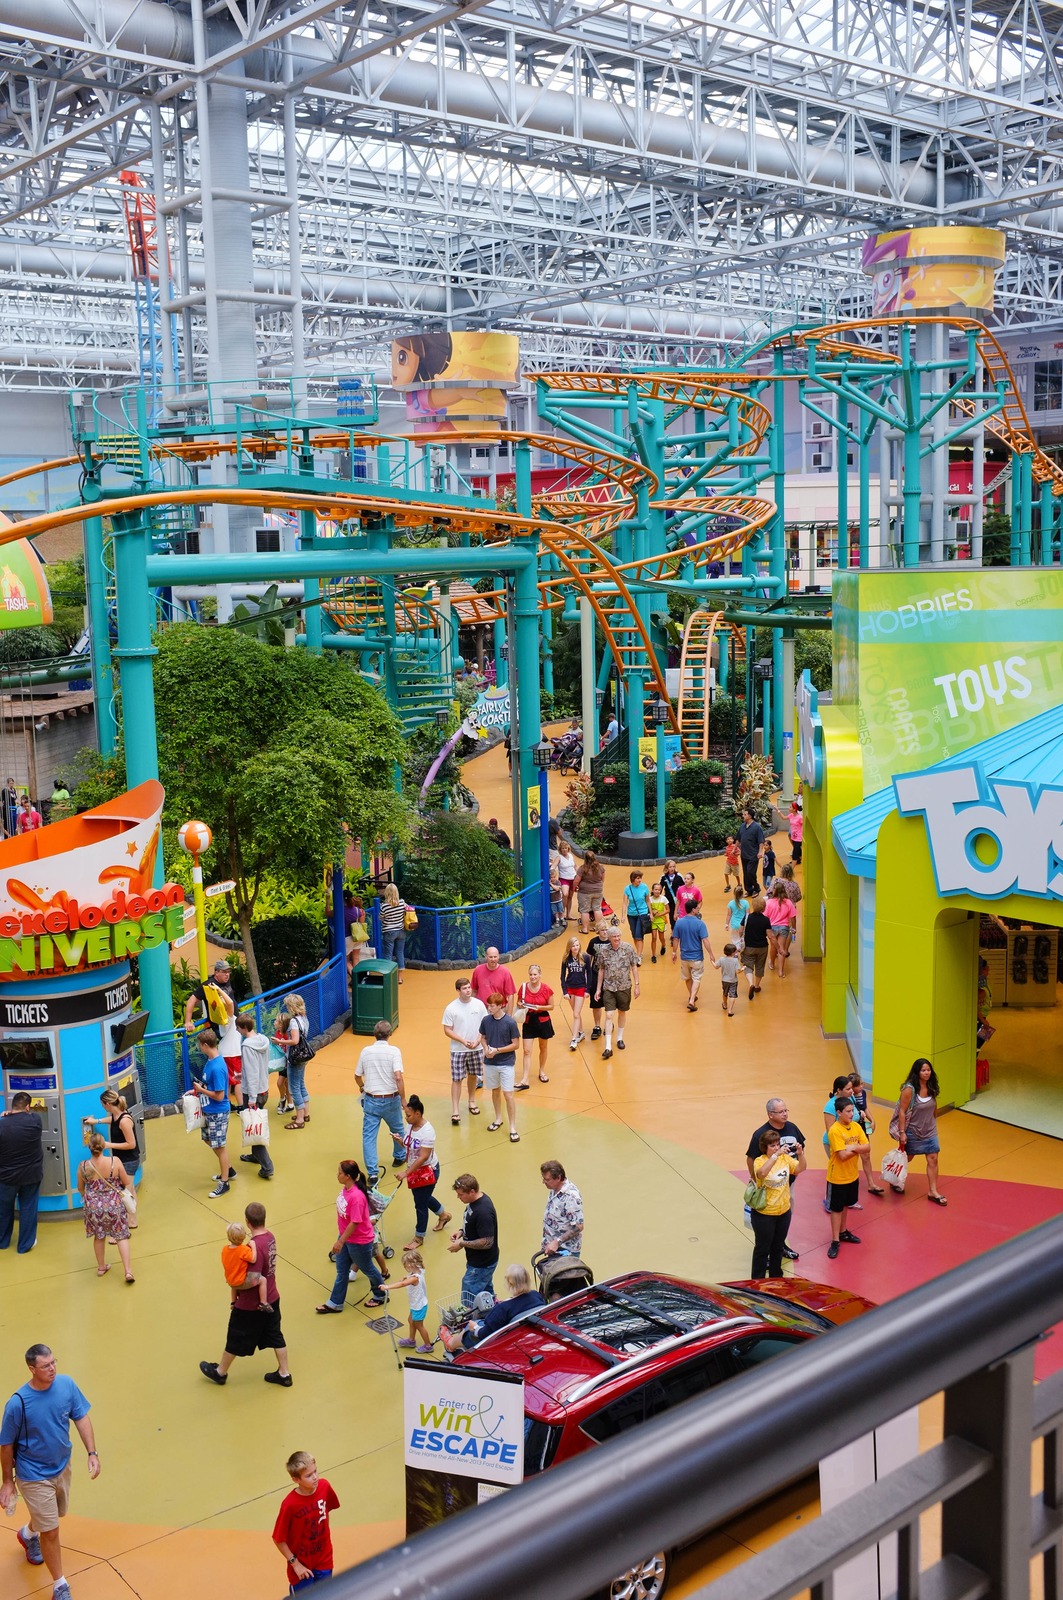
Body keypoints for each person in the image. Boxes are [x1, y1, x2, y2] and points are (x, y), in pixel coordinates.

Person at [0, 1343, 98, 1600]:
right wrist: (7, 1482)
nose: (52, 1369)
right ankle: (60, 1585)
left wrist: (92, 1453)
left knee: (53, 1517)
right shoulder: (17, 1404)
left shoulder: (66, 1385)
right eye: (46, 1366)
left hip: (61, 1465)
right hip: (33, 1474)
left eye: (54, 1362)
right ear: (32, 1369)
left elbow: (81, 1417)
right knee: (52, 1530)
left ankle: (28, 1533)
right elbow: (6, 1444)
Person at [200, 1201, 292, 1386]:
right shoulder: (270, 1237)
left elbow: (253, 1279)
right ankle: (284, 1373)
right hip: (272, 1297)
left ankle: (220, 1372)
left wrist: (233, 1287)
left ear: (247, 1222)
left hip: (251, 1305)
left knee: (236, 1335)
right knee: (275, 1334)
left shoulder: (252, 1246)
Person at [315, 1160, 387, 1313]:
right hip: (346, 1237)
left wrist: (340, 1241)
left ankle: (381, 1294)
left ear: (348, 1176)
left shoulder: (356, 1197)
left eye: (340, 1173)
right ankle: (335, 1303)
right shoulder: (346, 1188)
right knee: (342, 1272)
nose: (337, 1175)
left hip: (358, 1241)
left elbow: (355, 1222)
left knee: (368, 1269)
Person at [745, 1098, 806, 1264]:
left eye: (786, 1110)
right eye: (781, 1112)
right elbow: (751, 1159)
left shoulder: (792, 1128)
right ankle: (767, 1251)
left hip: (787, 1180)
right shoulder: (761, 1134)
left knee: (786, 1212)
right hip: (768, 1185)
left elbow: (800, 1149)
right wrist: (756, 1179)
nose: (785, 1114)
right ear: (770, 1115)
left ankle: (780, 1244)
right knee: (766, 1222)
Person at [273, 1451, 340, 1593]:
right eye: (308, 1475)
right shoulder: (289, 1505)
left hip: (324, 1560)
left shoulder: (324, 1487)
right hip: (302, 1567)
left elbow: (326, 1511)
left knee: (326, 1595)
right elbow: (278, 1539)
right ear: (295, 1479)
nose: (315, 1477)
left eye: (315, 1471)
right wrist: (295, 1564)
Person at [440, 1263, 544, 1353]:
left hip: (501, 1340)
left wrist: (475, 1328)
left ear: (509, 1284)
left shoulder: (502, 1309)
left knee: (469, 1328)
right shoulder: (536, 1295)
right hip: (527, 1332)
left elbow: (485, 1334)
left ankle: (451, 1343)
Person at [77, 1133, 134, 1282]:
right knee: (121, 1236)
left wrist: (91, 1197)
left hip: (94, 1207)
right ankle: (128, 1271)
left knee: (99, 1236)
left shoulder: (83, 1166)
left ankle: (101, 1267)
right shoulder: (115, 1161)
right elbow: (126, 1181)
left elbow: (80, 1188)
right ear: (104, 1146)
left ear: (90, 1147)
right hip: (114, 1204)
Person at [354, 1019, 406, 1181]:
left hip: (371, 1100)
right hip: (391, 1098)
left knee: (369, 1136)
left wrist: (362, 1087)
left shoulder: (366, 1052)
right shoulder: (394, 1052)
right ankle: (399, 1155)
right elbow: (398, 1077)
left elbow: (357, 1076)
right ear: (389, 1034)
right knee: (398, 1129)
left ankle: (373, 1172)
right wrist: (403, 1098)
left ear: (374, 1034)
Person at [185, 960, 241, 1104]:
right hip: (223, 1028)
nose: (227, 975)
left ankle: (227, 1101)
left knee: (228, 1074)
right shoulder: (208, 985)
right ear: (216, 972)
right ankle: (239, 1105)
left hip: (232, 1026)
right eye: (224, 972)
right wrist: (188, 1021)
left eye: (228, 972)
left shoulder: (225, 982)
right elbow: (191, 1001)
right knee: (232, 1073)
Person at [893, 1058, 947, 1205]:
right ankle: (895, 1179)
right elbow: (902, 1111)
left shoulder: (932, 1086)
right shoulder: (909, 1089)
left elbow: (934, 1106)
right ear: (917, 1072)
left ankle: (933, 1191)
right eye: (923, 1070)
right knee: (906, 1158)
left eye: (928, 1070)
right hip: (912, 1131)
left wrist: (933, 1122)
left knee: (933, 1159)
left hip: (930, 1131)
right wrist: (902, 1132)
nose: (926, 1073)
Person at [398, 1095, 450, 1246]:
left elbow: (423, 1157)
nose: (406, 1118)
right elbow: (410, 1145)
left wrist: (405, 1173)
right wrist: (400, 1141)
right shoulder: (410, 1126)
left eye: (408, 1115)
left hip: (427, 1171)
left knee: (420, 1203)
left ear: (418, 1114)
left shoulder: (427, 1131)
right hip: (415, 1171)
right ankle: (444, 1215)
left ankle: (419, 1237)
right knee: (423, 1198)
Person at [0, 1090, 44, 1254]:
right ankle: (25, 1245)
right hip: (31, 1175)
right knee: (28, 1208)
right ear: (27, 1107)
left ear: (12, 1107)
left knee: (4, 1209)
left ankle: (2, 1241)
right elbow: (27, 1115)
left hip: (6, 1177)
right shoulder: (35, 1121)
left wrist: (5, 1115)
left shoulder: (2, 1124)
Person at [192, 1031, 234, 1198]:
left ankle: (224, 1182)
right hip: (209, 1110)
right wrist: (199, 1089)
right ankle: (228, 1169)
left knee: (219, 1146)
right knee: (208, 1139)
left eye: (199, 1045)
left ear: (205, 1045)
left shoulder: (217, 1067)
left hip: (218, 1112)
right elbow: (209, 1084)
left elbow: (219, 1095)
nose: (198, 1047)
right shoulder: (211, 1061)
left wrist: (202, 1090)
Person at [826, 1097, 868, 1258]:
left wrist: (853, 1147)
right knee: (836, 1208)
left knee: (845, 1205)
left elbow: (868, 1147)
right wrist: (859, 1148)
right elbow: (842, 1155)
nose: (852, 1114)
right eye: (849, 1111)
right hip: (837, 1177)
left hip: (852, 1175)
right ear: (839, 1112)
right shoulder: (835, 1130)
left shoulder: (856, 1126)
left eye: (853, 1111)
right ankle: (835, 1240)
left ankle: (843, 1232)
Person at [235, 1013, 275, 1180]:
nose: (236, 1030)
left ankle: (267, 1167)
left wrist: (251, 1098)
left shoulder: (247, 1046)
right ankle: (255, 1156)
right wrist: (242, 1076)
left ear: (244, 1028)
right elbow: (257, 1068)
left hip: (253, 1094)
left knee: (254, 1127)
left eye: (238, 1027)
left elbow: (252, 1072)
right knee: (255, 1123)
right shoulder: (262, 1040)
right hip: (263, 1089)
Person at [447, 1173, 499, 1303]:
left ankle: (469, 1321)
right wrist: (461, 1232)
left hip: (482, 1264)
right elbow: (473, 1224)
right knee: (486, 1291)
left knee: (469, 1297)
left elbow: (487, 1242)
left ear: (471, 1191)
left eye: (460, 1194)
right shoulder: (474, 1202)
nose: (458, 1197)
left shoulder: (483, 1212)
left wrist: (462, 1244)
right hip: (479, 1262)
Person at [442, 977, 487, 1124]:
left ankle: (471, 1101)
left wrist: (478, 1040)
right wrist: (463, 1041)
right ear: (458, 991)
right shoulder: (451, 1008)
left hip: (476, 1047)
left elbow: (484, 1025)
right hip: (458, 1050)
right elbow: (447, 1030)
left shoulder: (479, 1004)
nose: (468, 990)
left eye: (469, 987)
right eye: (464, 988)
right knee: (457, 1079)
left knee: (473, 1075)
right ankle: (455, 1110)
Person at [480, 992, 521, 1142]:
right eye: (488, 1005)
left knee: (508, 1094)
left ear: (499, 1006)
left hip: (506, 1063)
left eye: (491, 1006)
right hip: (490, 1062)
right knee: (495, 1091)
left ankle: (512, 1127)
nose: (489, 1008)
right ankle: (498, 1119)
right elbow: (483, 1037)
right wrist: (486, 1049)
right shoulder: (485, 1020)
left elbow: (516, 1044)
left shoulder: (510, 1022)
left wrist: (497, 1050)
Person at [593, 926, 639, 1058]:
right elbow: (601, 970)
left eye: (618, 936)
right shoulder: (604, 952)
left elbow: (634, 966)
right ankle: (608, 1046)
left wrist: (637, 985)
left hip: (624, 986)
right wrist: (598, 989)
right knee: (608, 1015)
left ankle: (619, 1038)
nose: (617, 939)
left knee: (622, 1012)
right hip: (609, 988)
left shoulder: (628, 948)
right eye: (614, 937)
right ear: (609, 938)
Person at [670, 901, 714, 1012]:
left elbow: (675, 939)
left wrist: (674, 952)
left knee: (687, 978)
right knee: (697, 978)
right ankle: (692, 999)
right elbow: (705, 940)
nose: (699, 909)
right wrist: (711, 953)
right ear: (693, 909)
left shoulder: (679, 923)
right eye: (697, 908)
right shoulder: (700, 924)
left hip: (684, 956)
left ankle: (692, 996)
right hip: (697, 956)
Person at [278, 993, 313, 1130]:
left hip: (295, 1056)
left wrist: (280, 1041)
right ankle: (305, 1113)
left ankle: (299, 1119)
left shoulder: (293, 1022)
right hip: (303, 1056)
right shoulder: (304, 1018)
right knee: (301, 1084)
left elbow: (295, 1041)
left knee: (294, 1088)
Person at [847, 1070, 884, 1197]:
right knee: (849, 1155)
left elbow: (865, 1108)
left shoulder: (862, 1093)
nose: (861, 1087)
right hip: (851, 1128)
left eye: (862, 1084)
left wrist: (872, 1120)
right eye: (858, 1085)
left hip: (861, 1127)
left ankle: (871, 1183)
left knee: (866, 1155)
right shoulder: (847, 1097)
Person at [516, 963, 554, 1087]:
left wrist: (540, 1007)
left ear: (540, 975)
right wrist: (520, 1004)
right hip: (529, 1020)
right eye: (531, 975)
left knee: (543, 1047)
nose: (532, 977)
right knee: (526, 1050)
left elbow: (551, 1006)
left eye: (535, 974)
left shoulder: (546, 989)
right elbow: (518, 1002)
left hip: (543, 1020)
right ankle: (525, 1078)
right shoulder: (523, 988)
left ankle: (542, 1071)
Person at [392, 1247, 436, 1352]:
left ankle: (428, 1346)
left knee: (419, 1325)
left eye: (406, 1264)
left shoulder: (415, 1277)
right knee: (411, 1320)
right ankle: (411, 1340)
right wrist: (405, 1277)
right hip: (416, 1304)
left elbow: (403, 1284)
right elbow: (408, 1278)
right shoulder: (419, 1271)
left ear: (412, 1265)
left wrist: (387, 1287)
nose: (405, 1266)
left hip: (418, 1306)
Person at [222, 1220, 270, 1310]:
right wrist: (253, 1246)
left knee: (234, 1284)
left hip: (231, 1281)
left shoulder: (225, 1249)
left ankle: (233, 1302)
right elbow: (253, 1259)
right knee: (263, 1280)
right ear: (243, 1236)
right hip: (242, 1281)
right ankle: (263, 1302)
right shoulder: (243, 1250)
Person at [541, 1160, 584, 1256]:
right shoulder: (554, 1188)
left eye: (547, 1179)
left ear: (558, 1178)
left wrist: (557, 1242)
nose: (543, 1182)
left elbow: (579, 1226)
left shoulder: (571, 1197)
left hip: (566, 1251)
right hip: (552, 1248)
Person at [560, 936, 594, 1052]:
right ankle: (581, 1032)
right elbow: (562, 976)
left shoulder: (585, 957)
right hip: (570, 988)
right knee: (576, 1012)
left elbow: (589, 974)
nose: (575, 947)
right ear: (569, 947)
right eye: (573, 946)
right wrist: (564, 991)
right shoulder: (566, 958)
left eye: (577, 945)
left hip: (580, 988)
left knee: (576, 1013)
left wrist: (587, 990)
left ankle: (574, 1039)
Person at [740, 896, 772, 1000]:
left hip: (749, 947)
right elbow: (769, 935)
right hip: (762, 947)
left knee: (748, 965)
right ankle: (757, 986)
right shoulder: (766, 920)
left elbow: (740, 931)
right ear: (763, 907)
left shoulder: (747, 917)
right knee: (760, 966)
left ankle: (751, 984)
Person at [585, 920, 612, 1040]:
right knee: (596, 1001)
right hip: (595, 974)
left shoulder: (612, 942)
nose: (605, 932)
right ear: (598, 931)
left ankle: (608, 1023)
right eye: (603, 930)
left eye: (606, 930)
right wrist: (587, 973)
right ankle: (597, 1026)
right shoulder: (593, 942)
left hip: (609, 975)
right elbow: (589, 958)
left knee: (609, 1000)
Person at [765, 881, 797, 978]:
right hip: (784, 927)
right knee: (782, 948)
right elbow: (793, 917)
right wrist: (794, 928)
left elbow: (765, 917)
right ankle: (781, 972)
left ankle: (772, 963)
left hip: (772, 927)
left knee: (774, 947)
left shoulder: (769, 903)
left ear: (774, 891)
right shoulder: (788, 902)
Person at [378, 883, 409, 982]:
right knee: (400, 952)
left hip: (389, 931)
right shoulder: (402, 903)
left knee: (388, 954)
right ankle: (399, 978)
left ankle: (388, 977)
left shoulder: (384, 906)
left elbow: (380, 918)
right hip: (401, 931)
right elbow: (408, 910)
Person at [470, 946, 516, 1011]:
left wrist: (509, 1015)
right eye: (490, 957)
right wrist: (472, 1008)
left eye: (495, 957)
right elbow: (474, 991)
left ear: (498, 957)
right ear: (486, 956)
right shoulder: (478, 970)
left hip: (499, 1009)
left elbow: (510, 995)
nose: (493, 959)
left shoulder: (505, 972)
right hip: (482, 1009)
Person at [623, 870, 651, 964]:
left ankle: (638, 956)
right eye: (638, 878)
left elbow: (648, 901)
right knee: (635, 935)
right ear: (633, 879)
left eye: (640, 878)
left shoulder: (644, 887)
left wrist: (650, 913)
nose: (640, 880)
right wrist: (623, 915)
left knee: (639, 936)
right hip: (631, 914)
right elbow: (625, 903)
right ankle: (640, 952)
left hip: (642, 913)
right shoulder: (627, 888)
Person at [574, 850, 606, 933]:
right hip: (598, 891)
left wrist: (575, 887)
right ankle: (598, 928)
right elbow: (602, 878)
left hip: (585, 892)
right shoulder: (600, 867)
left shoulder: (582, 868)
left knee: (585, 910)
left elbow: (576, 880)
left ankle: (584, 928)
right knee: (597, 908)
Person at [737, 806, 766, 895]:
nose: (743, 816)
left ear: (750, 816)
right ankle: (749, 890)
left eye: (745, 814)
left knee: (750, 872)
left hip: (753, 854)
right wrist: (735, 849)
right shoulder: (742, 826)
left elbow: (761, 841)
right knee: (746, 873)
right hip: (744, 854)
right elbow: (738, 839)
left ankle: (756, 888)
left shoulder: (757, 827)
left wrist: (760, 852)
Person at [711, 943, 742, 1016]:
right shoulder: (735, 961)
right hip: (733, 981)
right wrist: (743, 969)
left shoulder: (722, 959)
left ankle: (725, 1004)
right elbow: (737, 971)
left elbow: (716, 966)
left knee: (725, 993)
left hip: (724, 980)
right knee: (732, 995)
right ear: (733, 953)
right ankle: (730, 1010)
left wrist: (712, 961)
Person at [647, 881, 669, 963]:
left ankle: (663, 945)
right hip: (653, 921)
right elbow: (647, 909)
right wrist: (652, 911)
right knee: (654, 937)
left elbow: (668, 910)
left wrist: (660, 914)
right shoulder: (649, 899)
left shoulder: (663, 898)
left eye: (659, 890)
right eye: (655, 889)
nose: (657, 891)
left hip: (661, 921)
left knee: (661, 937)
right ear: (652, 890)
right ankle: (653, 955)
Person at [556, 839, 578, 921]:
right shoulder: (559, 857)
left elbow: (575, 866)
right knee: (565, 894)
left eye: (565, 848)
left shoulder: (571, 856)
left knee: (570, 896)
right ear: (560, 849)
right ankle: (562, 912)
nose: (564, 850)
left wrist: (579, 874)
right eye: (562, 848)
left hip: (572, 878)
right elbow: (554, 865)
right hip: (564, 878)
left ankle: (568, 914)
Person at [660, 859, 685, 929]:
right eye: (670, 867)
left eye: (673, 866)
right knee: (671, 914)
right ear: (667, 868)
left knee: (677, 913)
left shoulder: (679, 876)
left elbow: (683, 887)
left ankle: (677, 929)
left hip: (677, 899)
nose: (672, 868)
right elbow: (660, 888)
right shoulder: (663, 877)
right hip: (668, 899)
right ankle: (673, 929)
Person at [789, 800, 803, 864]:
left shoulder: (800, 817)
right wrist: (778, 811)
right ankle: (798, 859)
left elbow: (803, 825)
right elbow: (784, 817)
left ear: (794, 809)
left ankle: (791, 868)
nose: (789, 808)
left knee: (795, 853)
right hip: (793, 836)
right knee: (796, 848)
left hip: (798, 837)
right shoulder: (791, 815)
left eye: (790, 807)